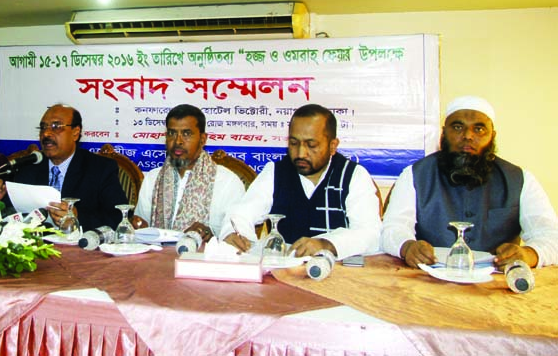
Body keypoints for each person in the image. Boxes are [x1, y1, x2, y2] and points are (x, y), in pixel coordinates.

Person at [382, 96, 558, 269]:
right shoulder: (415, 174)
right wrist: (407, 246)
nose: (467, 136)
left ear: (492, 135)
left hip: (495, 288)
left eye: (479, 129)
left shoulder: (520, 179)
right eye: (458, 127)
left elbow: (551, 236)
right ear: (444, 133)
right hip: (427, 282)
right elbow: (393, 228)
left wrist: (530, 254)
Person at [220, 104, 381, 259]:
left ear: (333, 146)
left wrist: (326, 243)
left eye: (311, 145)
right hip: (284, 274)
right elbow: (240, 214)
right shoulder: (275, 172)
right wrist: (234, 234)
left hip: (338, 275)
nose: (301, 153)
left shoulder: (353, 175)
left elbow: (369, 233)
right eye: (294, 143)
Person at [132, 104, 244, 238]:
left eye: (186, 134)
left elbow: (238, 237)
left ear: (202, 139)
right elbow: (140, 226)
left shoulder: (227, 182)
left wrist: (210, 235)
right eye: (172, 133)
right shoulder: (152, 178)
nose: (178, 141)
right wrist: (138, 228)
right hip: (157, 256)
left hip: (205, 257)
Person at [9, 104, 127, 230]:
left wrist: (77, 217)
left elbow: (120, 217)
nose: (46, 133)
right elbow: (11, 211)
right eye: (43, 127)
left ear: (75, 133)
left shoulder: (100, 168)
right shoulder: (28, 166)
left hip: (79, 245)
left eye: (56, 127)